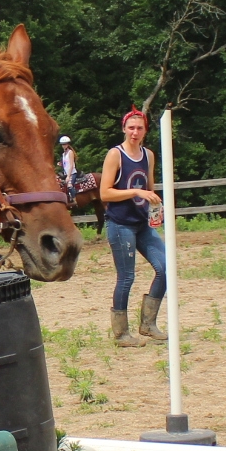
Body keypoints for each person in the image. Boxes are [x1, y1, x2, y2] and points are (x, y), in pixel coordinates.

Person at [99, 109, 168, 347]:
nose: (135, 132)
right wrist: (136, 192)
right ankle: (121, 334)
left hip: (142, 224)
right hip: (120, 224)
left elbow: (149, 188)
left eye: (139, 128)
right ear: (124, 129)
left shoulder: (148, 155)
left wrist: (155, 207)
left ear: (145, 130)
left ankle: (148, 324)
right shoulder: (115, 155)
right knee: (126, 277)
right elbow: (105, 193)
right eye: (131, 128)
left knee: (165, 268)